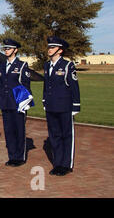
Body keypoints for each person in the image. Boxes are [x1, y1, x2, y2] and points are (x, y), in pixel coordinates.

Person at [43, 36, 80, 176]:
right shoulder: (47, 65)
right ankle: (57, 163)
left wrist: (75, 106)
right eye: (49, 47)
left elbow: (74, 87)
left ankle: (66, 165)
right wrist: (44, 101)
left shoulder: (67, 66)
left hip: (65, 106)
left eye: (52, 47)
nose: (49, 49)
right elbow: (46, 86)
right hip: (51, 106)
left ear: (60, 50)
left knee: (66, 135)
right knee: (54, 136)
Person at [0, 39, 32, 167]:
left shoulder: (22, 65)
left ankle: (19, 157)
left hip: (18, 103)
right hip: (6, 102)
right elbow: (1, 85)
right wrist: (0, 99)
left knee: (19, 130)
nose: (6, 50)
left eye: (9, 48)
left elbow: (26, 84)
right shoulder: (2, 66)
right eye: (5, 48)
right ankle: (11, 156)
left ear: (15, 50)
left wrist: (25, 102)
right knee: (9, 130)